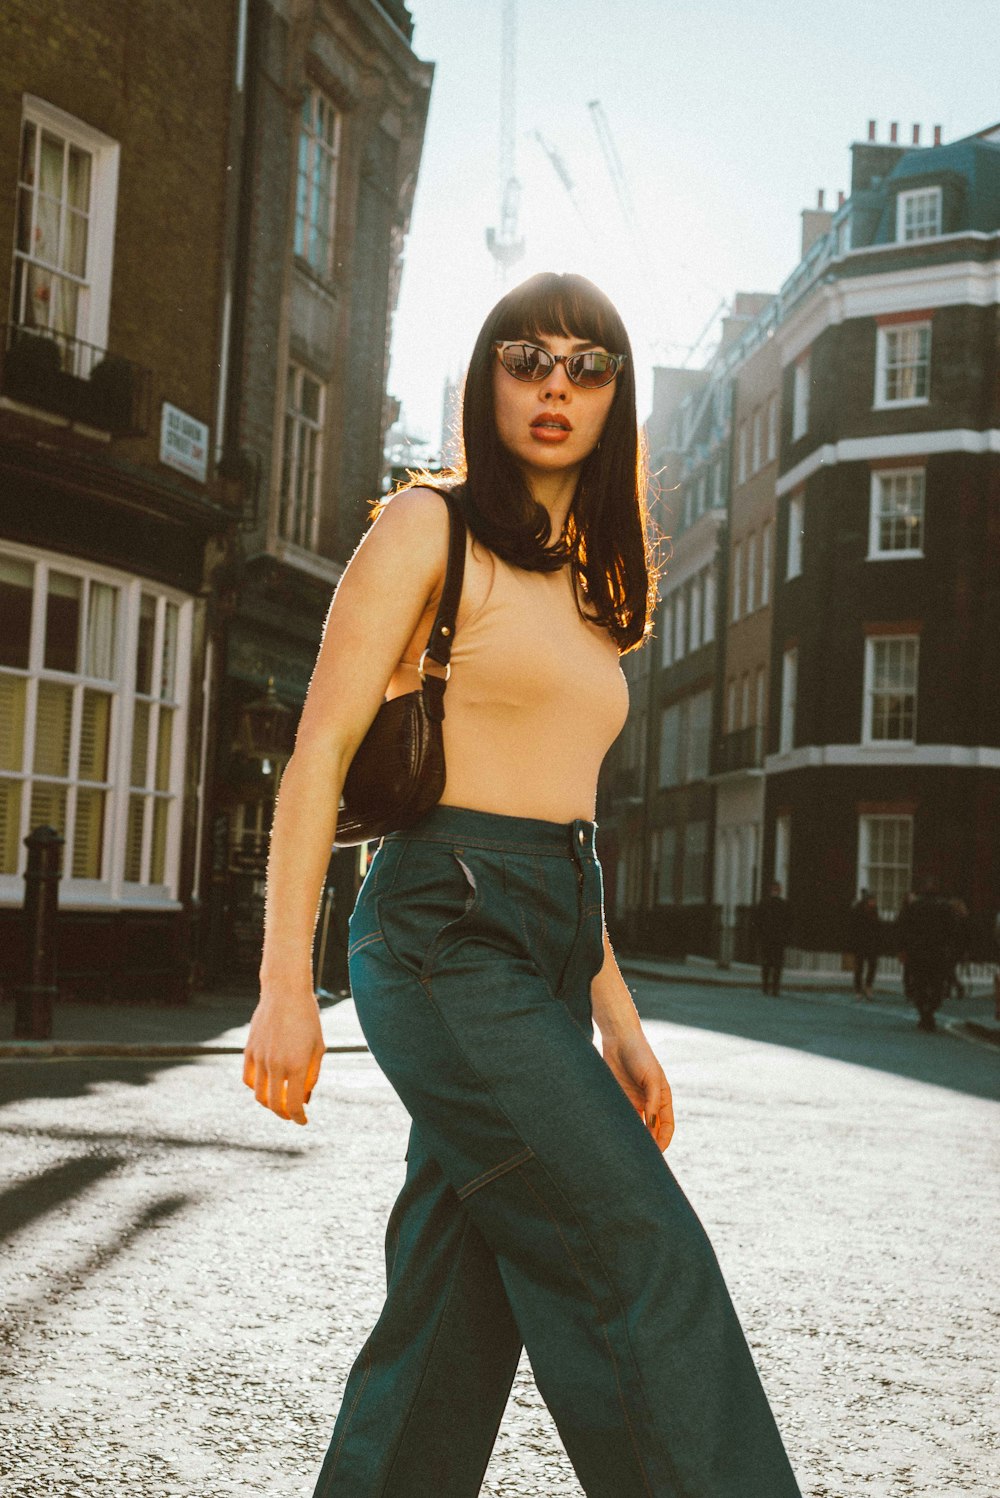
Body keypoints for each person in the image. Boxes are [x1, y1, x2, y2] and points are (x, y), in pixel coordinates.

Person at [242, 273, 802, 1497]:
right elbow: (317, 764)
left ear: (616, 399)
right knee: (638, 1248)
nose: (555, 385)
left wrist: (619, 1017)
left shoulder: (596, 583)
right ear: (485, 377)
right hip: (444, 930)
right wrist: (285, 987)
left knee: (452, 1307)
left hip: (549, 932)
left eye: (587, 363)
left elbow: (567, 819)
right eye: (526, 356)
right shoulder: (424, 530)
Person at [895, 877, 958, 1032]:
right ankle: (929, 1012)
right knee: (937, 985)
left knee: (920, 984)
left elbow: (901, 928)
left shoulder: (913, 907)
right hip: (938, 953)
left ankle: (924, 1014)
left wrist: (902, 949)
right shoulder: (945, 907)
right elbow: (954, 931)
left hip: (917, 953)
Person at [755, 880, 793, 997]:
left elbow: (758, 921)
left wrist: (760, 935)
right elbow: (788, 923)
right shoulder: (783, 904)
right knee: (776, 964)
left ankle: (766, 987)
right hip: (777, 939)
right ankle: (774, 988)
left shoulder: (764, 903)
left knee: (768, 963)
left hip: (769, 938)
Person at [848, 888, 881, 1001]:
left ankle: (868, 987)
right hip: (860, 943)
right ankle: (858, 990)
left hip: (872, 942)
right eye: (872, 900)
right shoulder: (858, 909)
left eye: (874, 900)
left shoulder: (874, 910)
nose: (874, 902)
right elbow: (853, 927)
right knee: (859, 967)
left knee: (872, 965)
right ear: (867, 900)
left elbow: (877, 926)